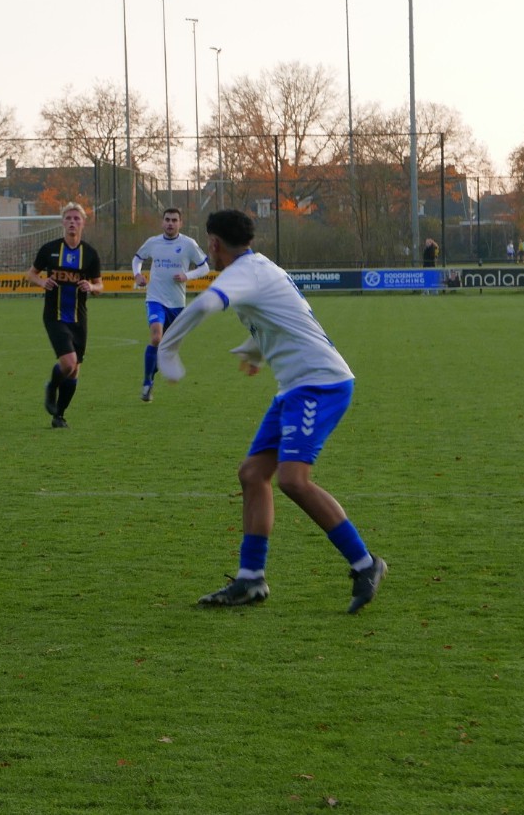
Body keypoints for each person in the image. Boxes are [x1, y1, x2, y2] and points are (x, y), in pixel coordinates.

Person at [156, 208, 386, 613]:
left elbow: (205, 306)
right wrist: (256, 351)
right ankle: (250, 579)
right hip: (296, 388)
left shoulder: (243, 273)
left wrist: (167, 348)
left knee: (294, 481)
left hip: (321, 385)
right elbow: (284, 318)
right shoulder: (261, 268)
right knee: (252, 474)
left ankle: (366, 564)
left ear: (213, 243)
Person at [24, 203, 103, 429]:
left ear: (83, 223)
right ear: (62, 222)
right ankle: (51, 386)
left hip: (79, 318)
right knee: (68, 363)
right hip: (54, 316)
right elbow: (31, 274)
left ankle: (59, 415)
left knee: (75, 368)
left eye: (76, 219)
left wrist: (92, 287)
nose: (72, 222)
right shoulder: (49, 249)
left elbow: (100, 284)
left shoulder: (89, 254)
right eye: (68, 218)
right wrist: (42, 281)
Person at [132, 207, 211, 402]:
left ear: (180, 223)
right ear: (162, 222)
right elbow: (137, 258)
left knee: (166, 349)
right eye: (167, 219)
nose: (170, 223)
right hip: (155, 299)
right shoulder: (153, 243)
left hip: (177, 304)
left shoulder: (188, 244)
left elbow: (205, 267)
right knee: (157, 337)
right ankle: (147, 382)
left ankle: (152, 372)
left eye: (174, 220)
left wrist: (187, 275)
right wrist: (137, 274)